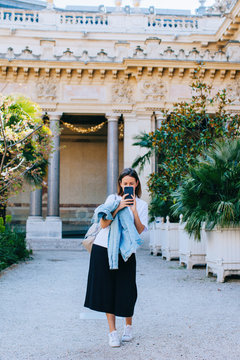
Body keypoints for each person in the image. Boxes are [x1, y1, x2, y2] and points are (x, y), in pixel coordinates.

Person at [84, 168, 148, 347]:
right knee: (106, 291)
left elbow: (140, 230)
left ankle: (128, 326)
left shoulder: (142, 205)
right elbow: (103, 224)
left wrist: (133, 210)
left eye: (131, 183)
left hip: (126, 252)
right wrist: (120, 206)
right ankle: (112, 332)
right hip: (103, 249)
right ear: (120, 184)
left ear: (136, 184)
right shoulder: (112, 200)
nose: (128, 186)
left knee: (127, 290)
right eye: (125, 183)